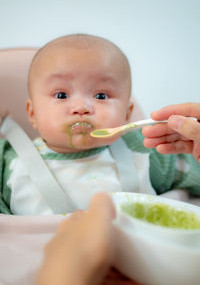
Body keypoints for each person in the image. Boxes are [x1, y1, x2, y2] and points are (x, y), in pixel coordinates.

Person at [0, 34, 200, 215]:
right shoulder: (7, 161)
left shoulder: (145, 149)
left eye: (101, 95)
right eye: (61, 95)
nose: (81, 107)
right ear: (33, 113)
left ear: (126, 114)